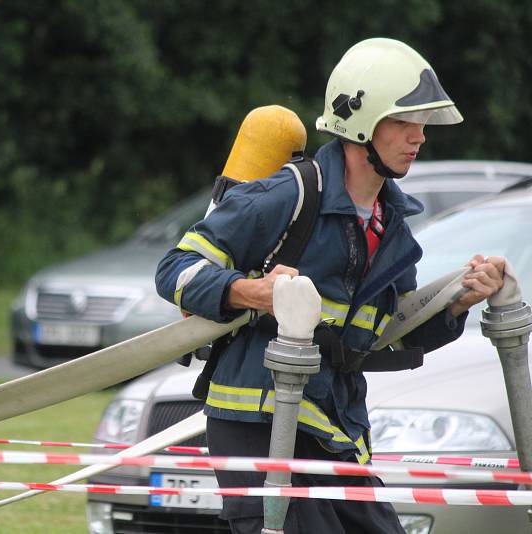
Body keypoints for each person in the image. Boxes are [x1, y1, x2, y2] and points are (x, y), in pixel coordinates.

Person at [155, 38, 505, 534]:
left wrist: (457, 303)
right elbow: (175, 269)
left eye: (422, 125)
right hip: (259, 421)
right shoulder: (286, 195)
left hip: (334, 427)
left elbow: (388, 338)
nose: (419, 137)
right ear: (360, 123)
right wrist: (252, 291)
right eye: (404, 122)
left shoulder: (393, 227)